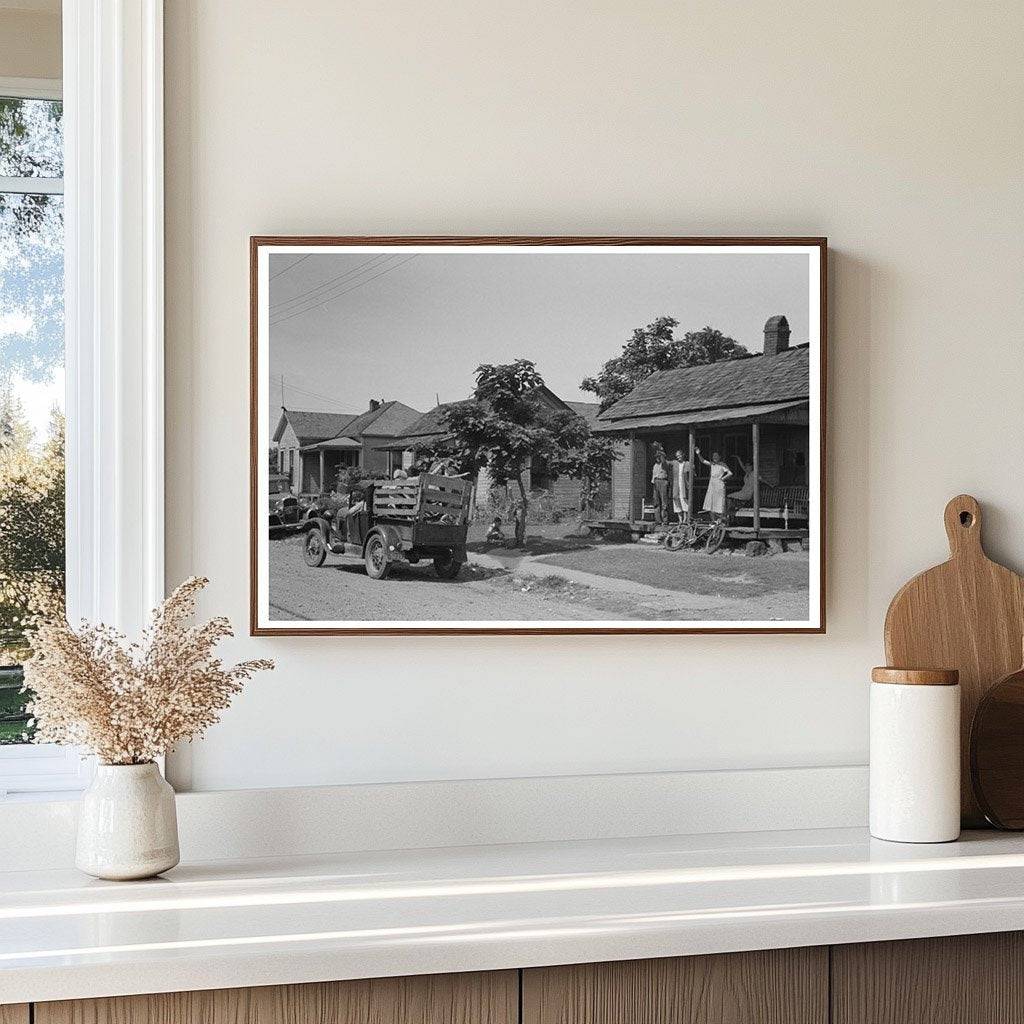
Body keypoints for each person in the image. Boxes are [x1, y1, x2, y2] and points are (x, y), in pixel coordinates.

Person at [695, 448, 732, 520]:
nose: (714, 457)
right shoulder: (712, 464)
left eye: (716, 456)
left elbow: (730, 473)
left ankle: (721, 521)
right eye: (713, 456)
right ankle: (713, 521)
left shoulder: (722, 464)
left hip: (719, 486)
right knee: (710, 503)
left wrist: (722, 478)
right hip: (712, 485)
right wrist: (698, 453)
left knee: (719, 503)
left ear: (719, 457)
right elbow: (703, 461)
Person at [670, 448, 691, 523]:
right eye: (677, 456)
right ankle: (680, 519)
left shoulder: (688, 463)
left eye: (679, 455)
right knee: (676, 499)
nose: (678, 457)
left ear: (683, 455)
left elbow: (692, 473)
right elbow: (665, 463)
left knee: (684, 499)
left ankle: (685, 518)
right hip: (676, 484)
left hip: (684, 484)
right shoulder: (674, 463)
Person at [650, 453, 670, 525]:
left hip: (663, 481)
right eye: (657, 457)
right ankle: (658, 520)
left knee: (664, 502)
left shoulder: (665, 464)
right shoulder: (655, 465)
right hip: (656, 482)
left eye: (659, 457)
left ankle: (665, 520)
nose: (658, 458)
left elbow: (664, 462)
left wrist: (661, 453)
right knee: (656, 501)